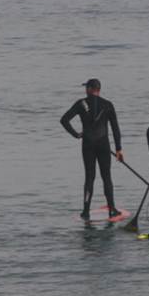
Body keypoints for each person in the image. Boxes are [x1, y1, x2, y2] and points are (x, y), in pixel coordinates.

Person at [60, 78, 124, 220]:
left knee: (89, 177)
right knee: (106, 176)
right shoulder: (108, 105)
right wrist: (118, 149)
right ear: (98, 90)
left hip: (88, 144)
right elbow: (115, 128)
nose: (85, 90)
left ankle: (86, 212)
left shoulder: (81, 103)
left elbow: (64, 120)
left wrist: (76, 134)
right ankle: (112, 209)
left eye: (86, 87)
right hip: (103, 144)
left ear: (90, 89)